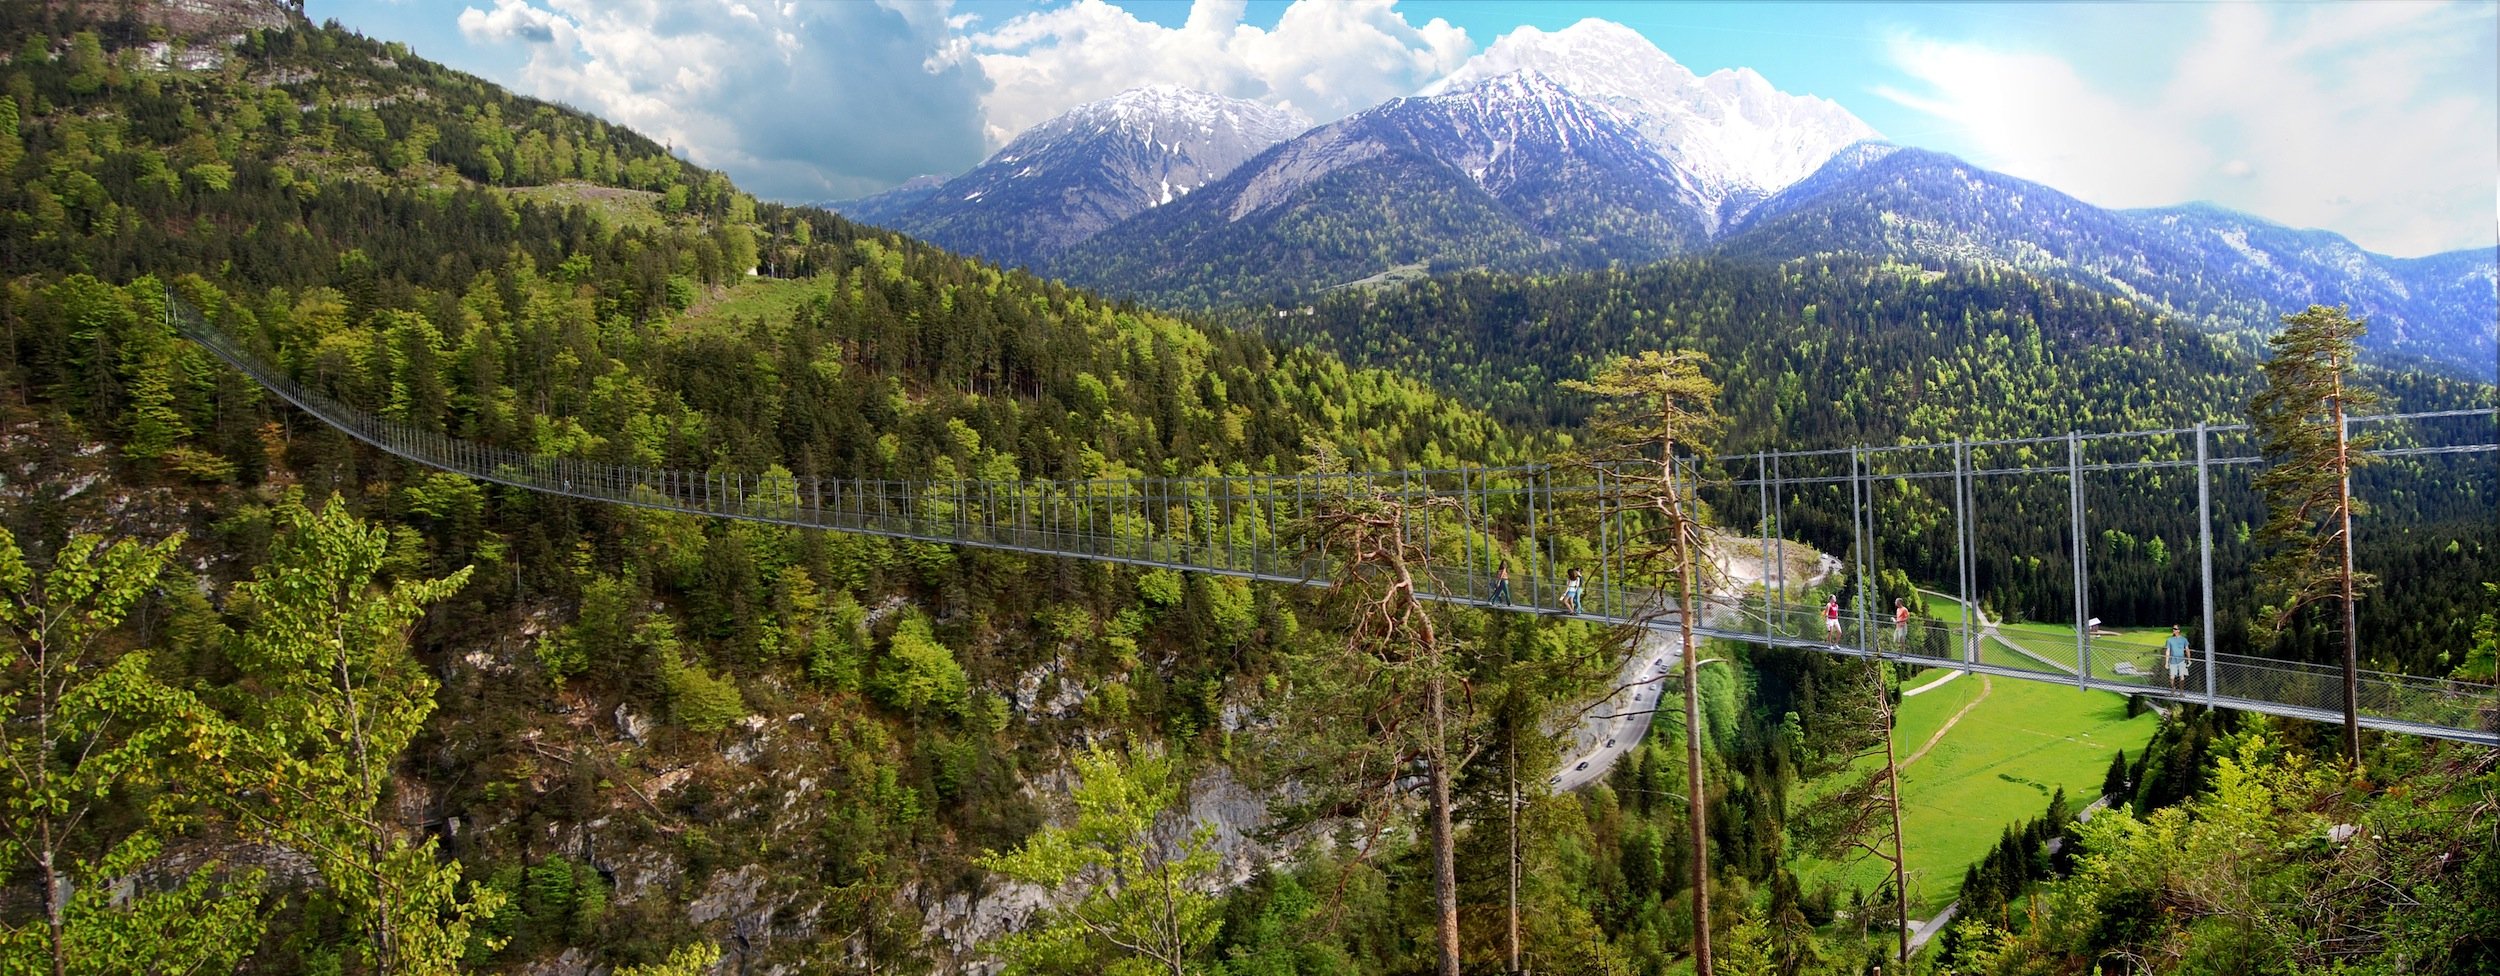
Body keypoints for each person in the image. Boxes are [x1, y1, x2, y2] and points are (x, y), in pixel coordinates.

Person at [2164, 625, 2191, 691]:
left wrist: (2189, 660)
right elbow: (2168, 651)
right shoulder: (2169, 640)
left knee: (2182, 677)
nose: (2173, 630)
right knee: (2171, 677)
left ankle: (2181, 692)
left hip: (2181, 661)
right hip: (2172, 661)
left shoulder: (2184, 639)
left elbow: (2187, 649)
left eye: (2175, 629)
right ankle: (2173, 688)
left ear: (2178, 630)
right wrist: (2166, 663)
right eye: (2173, 628)